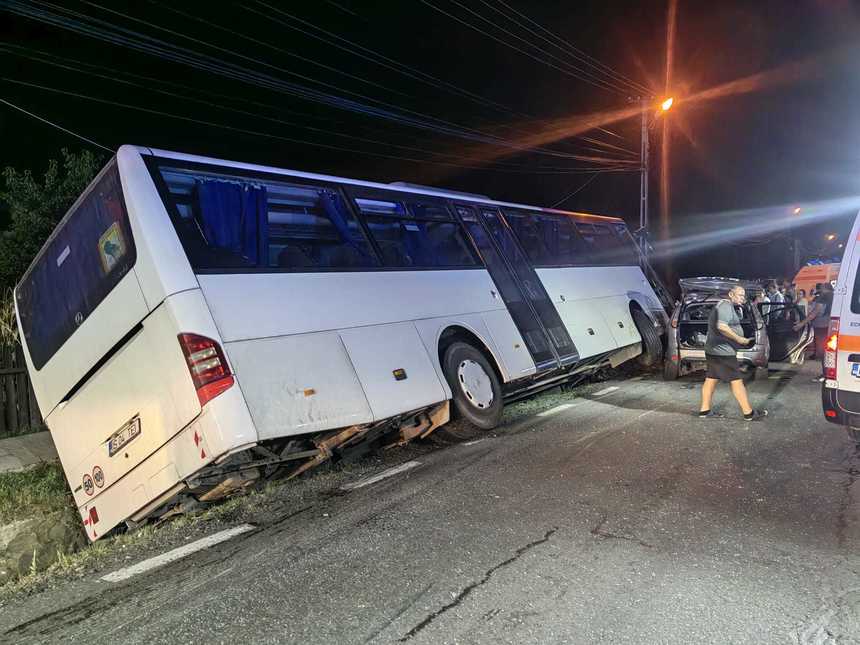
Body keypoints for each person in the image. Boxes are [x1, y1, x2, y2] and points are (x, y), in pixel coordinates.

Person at [699, 285, 768, 421]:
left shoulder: (727, 306)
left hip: (714, 350)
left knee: (711, 379)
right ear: (731, 294)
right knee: (737, 381)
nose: (743, 298)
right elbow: (722, 326)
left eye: (743, 295)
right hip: (723, 352)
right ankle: (748, 413)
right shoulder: (725, 305)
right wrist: (740, 339)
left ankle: (704, 410)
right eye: (740, 295)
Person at [795, 282, 833, 377]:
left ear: (825, 288)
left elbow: (814, 312)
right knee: (830, 351)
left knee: (822, 352)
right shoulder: (836, 296)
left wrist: (801, 324)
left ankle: (826, 374)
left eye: (822, 288)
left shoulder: (823, 297)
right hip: (831, 326)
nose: (820, 290)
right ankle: (829, 373)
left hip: (821, 327)